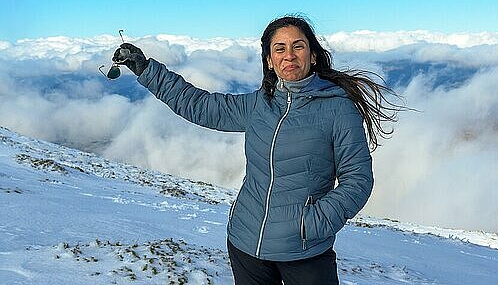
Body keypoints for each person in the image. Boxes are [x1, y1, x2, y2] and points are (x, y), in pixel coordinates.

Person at [113, 15, 403, 285]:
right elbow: (199, 105)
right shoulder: (258, 105)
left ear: (313, 55)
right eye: (279, 49)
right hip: (245, 244)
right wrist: (146, 69)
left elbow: (358, 180)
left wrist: (311, 224)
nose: (289, 55)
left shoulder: (338, 109)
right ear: (269, 61)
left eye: (298, 46)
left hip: (304, 251)